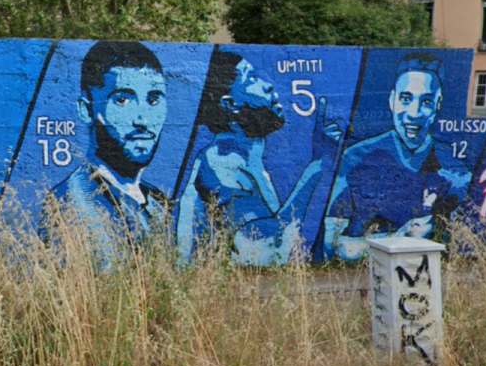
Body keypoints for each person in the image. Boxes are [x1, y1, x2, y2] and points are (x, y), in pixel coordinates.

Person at [176, 49, 342, 266]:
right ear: (231, 104)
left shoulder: (246, 159)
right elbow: (268, 250)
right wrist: (317, 165)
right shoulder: (222, 163)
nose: (268, 85)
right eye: (252, 78)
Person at [322, 52, 470, 261]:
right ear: (392, 100)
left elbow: (464, 244)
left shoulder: (455, 171)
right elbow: (331, 245)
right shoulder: (355, 159)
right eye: (406, 98)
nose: (414, 112)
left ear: (438, 105)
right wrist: (400, 238)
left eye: (426, 101)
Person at [41, 41, 169, 258]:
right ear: (86, 110)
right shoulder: (74, 202)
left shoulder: (158, 201)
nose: (143, 119)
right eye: (122, 100)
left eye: (153, 99)